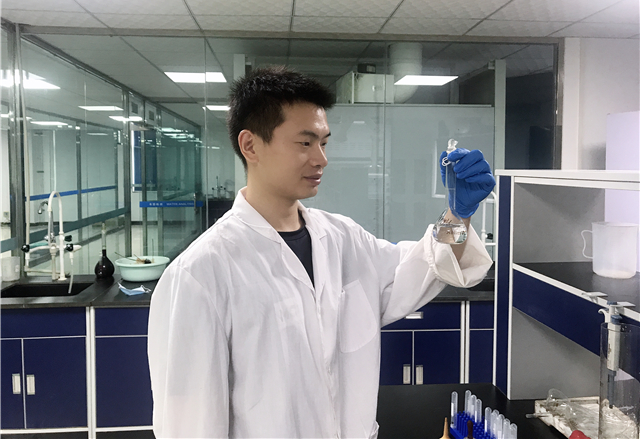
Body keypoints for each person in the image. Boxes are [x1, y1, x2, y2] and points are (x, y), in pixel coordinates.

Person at [147, 66, 495, 439]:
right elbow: (190, 424)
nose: (321, 159)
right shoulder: (201, 272)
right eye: (305, 143)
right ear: (250, 146)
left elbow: (425, 264)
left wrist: (458, 215)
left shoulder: (344, 239)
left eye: (324, 143)